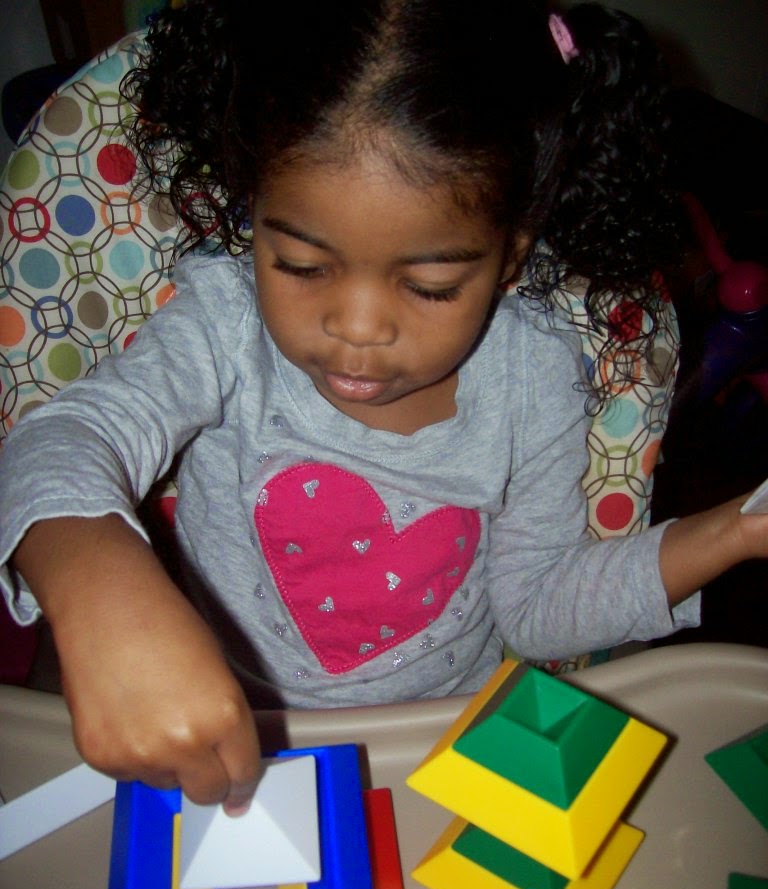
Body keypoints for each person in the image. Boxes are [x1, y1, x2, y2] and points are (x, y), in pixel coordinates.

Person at [1, 0, 765, 816]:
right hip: (232, 737)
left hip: (449, 742)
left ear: (510, 257)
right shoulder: (223, 327)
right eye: (300, 266)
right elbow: (61, 438)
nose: (357, 328)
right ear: (252, 209)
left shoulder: (535, 381)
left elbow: (538, 609)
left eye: (430, 287)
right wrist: (97, 580)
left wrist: (740, 529)